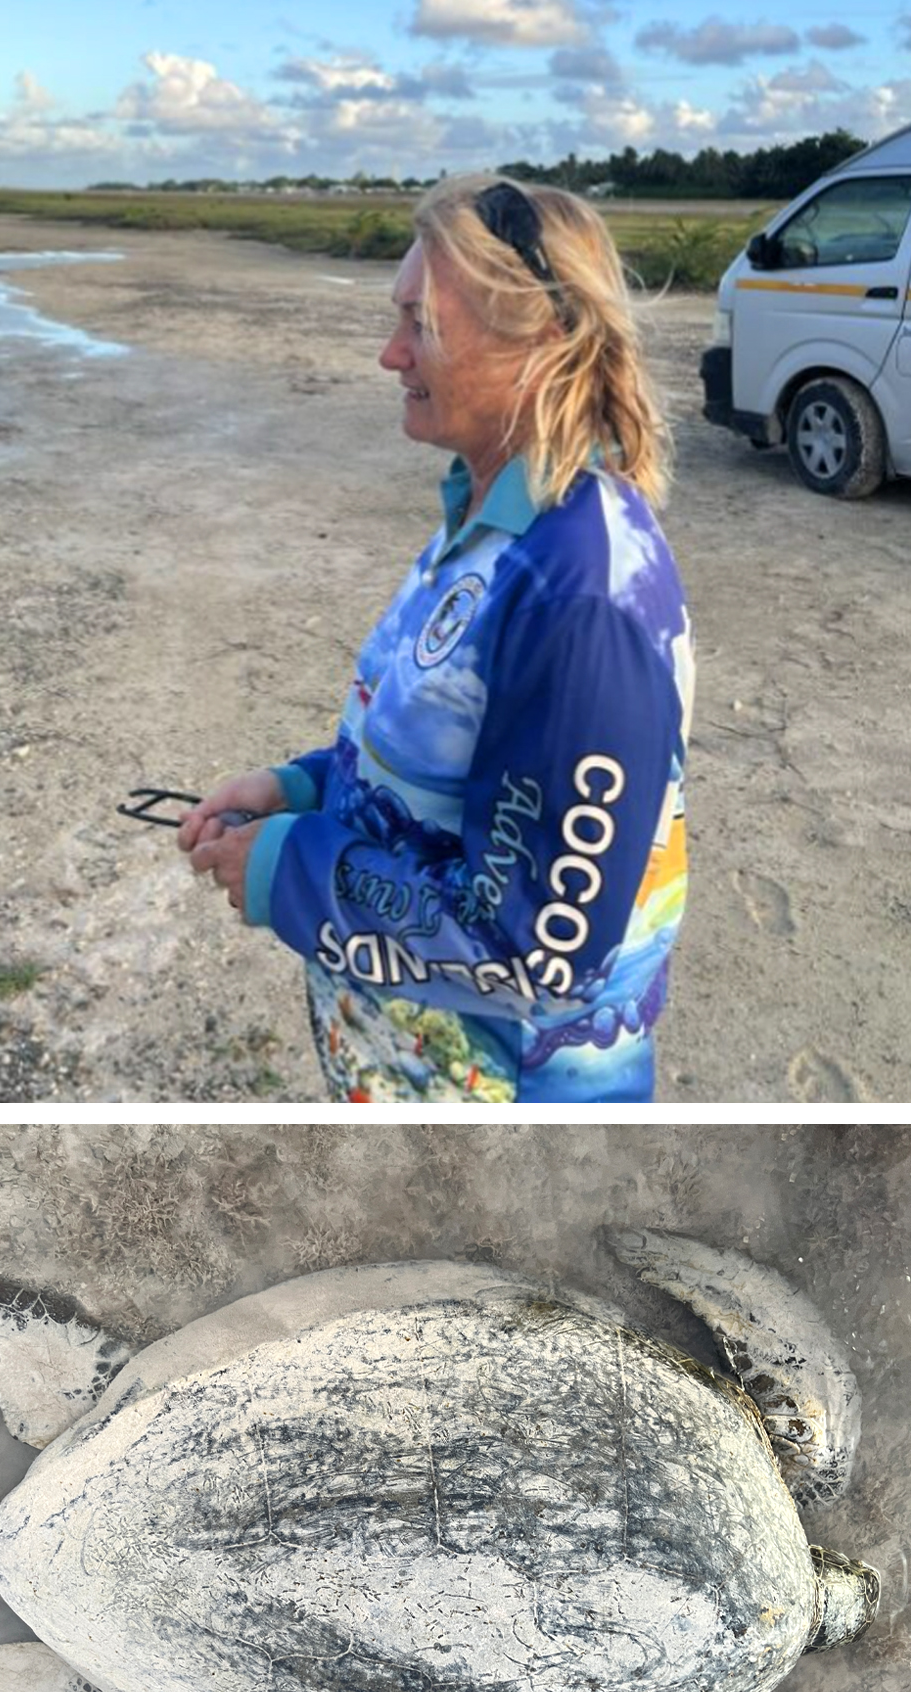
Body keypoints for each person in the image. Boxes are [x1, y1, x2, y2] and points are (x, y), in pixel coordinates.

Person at [179, 175, 693, 1105]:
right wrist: (302, 786)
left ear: (535, 338)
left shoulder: (579, 594)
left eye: (421, 322)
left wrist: (286, 867)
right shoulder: (491, 518)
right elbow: (441, 766)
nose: (389, 354)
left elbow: (540, 957)